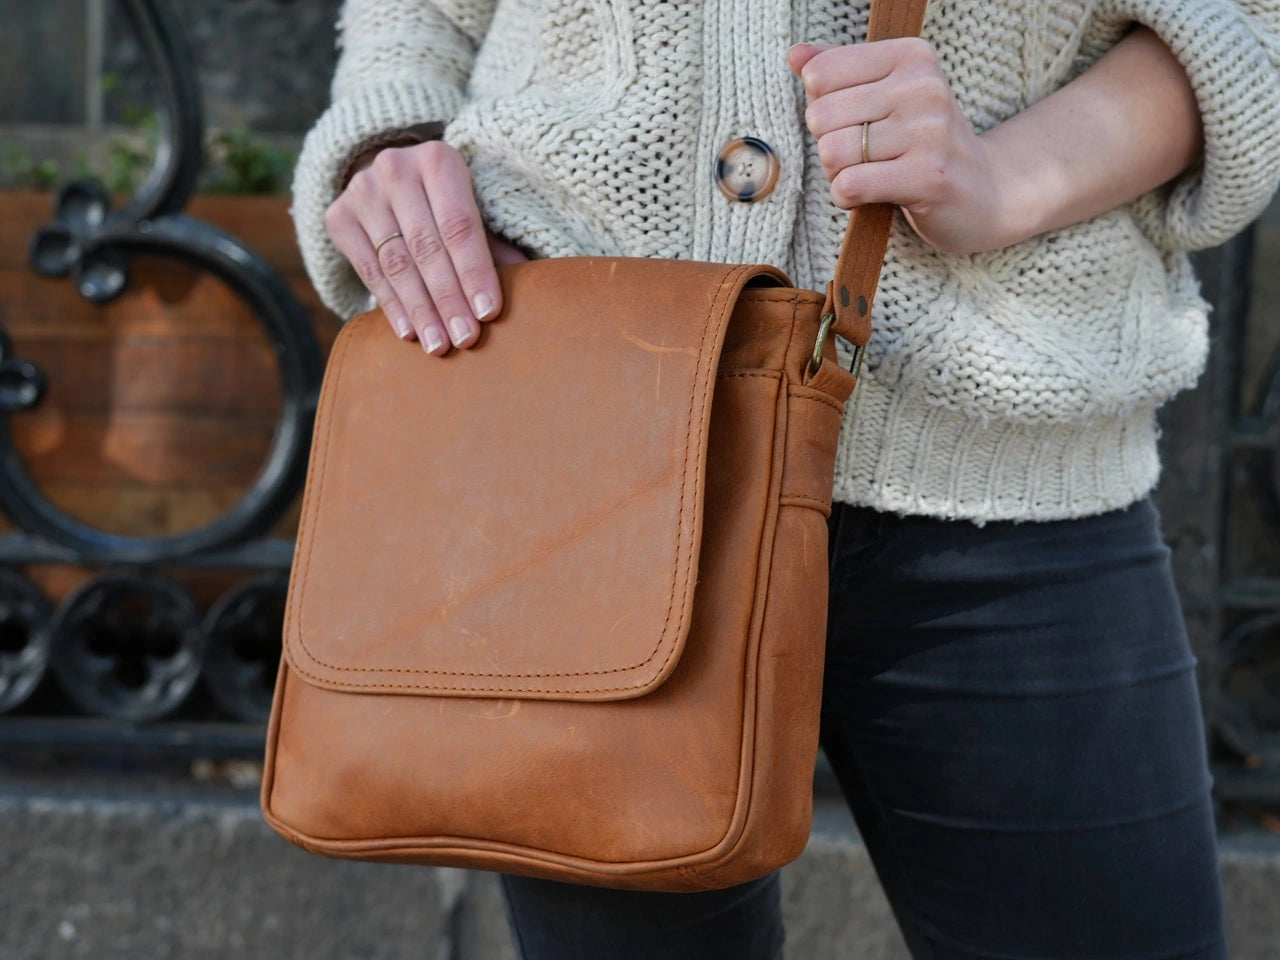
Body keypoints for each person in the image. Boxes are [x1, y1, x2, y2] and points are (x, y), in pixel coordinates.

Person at [291, 1, 1280, 957]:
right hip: (577, 455)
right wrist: (390, 146)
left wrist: (1008, 176)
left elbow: (1249, 22)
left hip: (1010, 478)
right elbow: (411, 17)